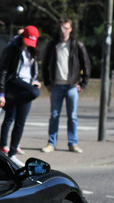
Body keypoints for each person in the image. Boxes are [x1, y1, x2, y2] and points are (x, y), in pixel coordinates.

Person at [0, 25, 41, 167]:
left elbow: (32, 70)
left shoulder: (33, 51)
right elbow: (3, 72)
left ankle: (12, 153)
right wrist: (1, 93)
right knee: (34, 93)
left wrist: (35, 81)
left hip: (25, 87)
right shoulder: (12, 49)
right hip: (14, 83)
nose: (28, 44)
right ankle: (3, 145)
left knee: (20, 121)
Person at [41, 18, 91, 154]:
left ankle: (73, 143)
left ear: (71, 29)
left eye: (67, 28)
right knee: (54, 116)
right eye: (62, 28)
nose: (64, 31)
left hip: (72, 86)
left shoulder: (76, 44)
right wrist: (47, 82)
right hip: (56, 85)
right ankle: (51, 143)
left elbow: (86, 64)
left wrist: (83, 84)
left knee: (72, 117)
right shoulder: (53, 45)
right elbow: (45, 65)